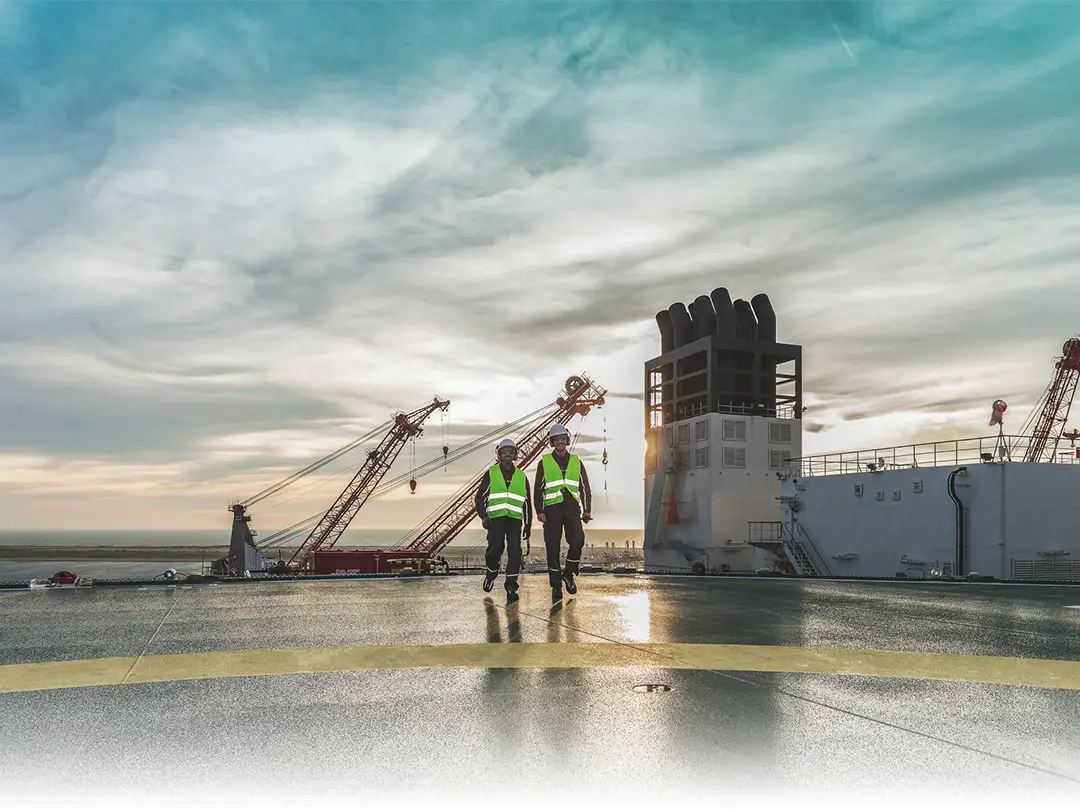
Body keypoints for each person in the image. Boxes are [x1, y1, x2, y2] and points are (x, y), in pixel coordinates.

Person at [533, 423, 592, 604]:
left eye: (562, 439)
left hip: (572, 508)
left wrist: (587, 509)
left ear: (566, 441)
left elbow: (584, 488)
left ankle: (569, 573)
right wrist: (540, 511)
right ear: (552, 442)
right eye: (556, 439)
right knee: (553, 547)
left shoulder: (576, 461)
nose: (560, 442)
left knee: (578, 541)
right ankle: (556, 586)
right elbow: (538, 489)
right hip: (552, 510)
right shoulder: (544, 463)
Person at [475, 437, 532, 601]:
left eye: (511, 452)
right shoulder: (491, 474)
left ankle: (511, 587)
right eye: (505, 452)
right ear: (499, 455)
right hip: (496, 520)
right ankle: (491, 574)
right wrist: (484, 516)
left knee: (515, 553)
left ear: (515, 455)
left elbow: (526, 503)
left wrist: (528, 525)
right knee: (494, 552)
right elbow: (480, 498)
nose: (508, 455)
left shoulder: (521, 477)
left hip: (514, 521)